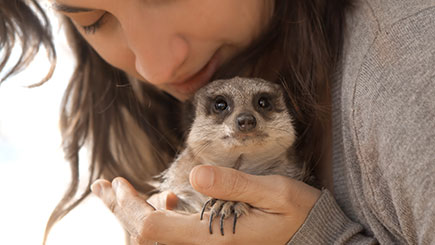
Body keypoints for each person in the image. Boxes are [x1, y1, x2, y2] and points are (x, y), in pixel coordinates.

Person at [1, 0, 434, 244]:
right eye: (94, 21)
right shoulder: (130, 107)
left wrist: (320, 239)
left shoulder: (407, 66)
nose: (156, 67)